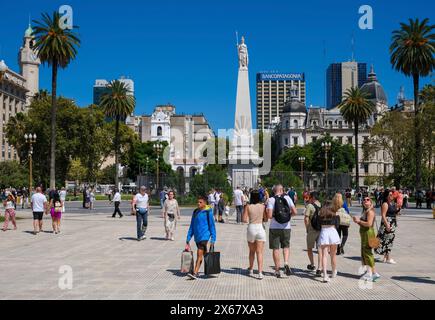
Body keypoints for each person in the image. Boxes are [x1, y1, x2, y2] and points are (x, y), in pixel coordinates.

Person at [266, 184, 297, 278]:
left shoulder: (271, 199)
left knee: (276, 249)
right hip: (286, 227)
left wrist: (268, 212)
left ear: (274, 191)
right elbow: (295, 212)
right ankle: (286, 263)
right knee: (286, 246)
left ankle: (277, 270)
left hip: (274, 227)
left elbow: (270, 216)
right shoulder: (288, 198)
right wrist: (288, 216)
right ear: (282, 190)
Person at [185, 195, 216, 280]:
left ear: (205, 203)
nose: (198, 203)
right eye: (198, 202)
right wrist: (188, 238)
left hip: (205, 236)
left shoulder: (208, 212)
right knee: (204, 254)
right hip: (197, 237)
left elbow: (212, 225)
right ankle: (210, 269)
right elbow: (192, 225)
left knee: (199, 253)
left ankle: (195, 272)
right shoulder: (195, 212)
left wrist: (213, 238)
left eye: (200, 202)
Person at [353, 196, 381, 282]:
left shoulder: (370, 212)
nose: (365, 201)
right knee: (365, 253)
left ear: (371, 202)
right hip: (365, 233)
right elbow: (363, 224)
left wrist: (358, 221)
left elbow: (368, 224)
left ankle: (372, 273)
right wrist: (357, 222)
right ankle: (370, 272)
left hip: (368, 234)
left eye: (368, 200)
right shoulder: (366, 211)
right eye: (364, 200)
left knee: (368, 253)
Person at [242, 190, 267, 280]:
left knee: (252, 251)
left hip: (251, 227)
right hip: (260, 227)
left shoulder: (248, 206)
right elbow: (266, 219)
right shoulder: (263, 206)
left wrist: (250, 219)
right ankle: (260, 272)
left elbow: (244, 219)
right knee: (259, 252)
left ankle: (251, 268)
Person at [317, 202, 341, 283]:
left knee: (324, 255)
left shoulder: (320, 215)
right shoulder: (335, 215)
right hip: (332, 232)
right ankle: (334, 271)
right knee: (333, 254)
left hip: (324, 232)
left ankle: (325, 275)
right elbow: (337, 225)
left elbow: (317, 225)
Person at [376, 189, 400, 264]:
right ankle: (388, 258)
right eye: (389, 194)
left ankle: (385, 257)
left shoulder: (393, 204)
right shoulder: (385, 204)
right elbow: (383, 215)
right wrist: (387, 225)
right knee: (387, 240)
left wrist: (398, 209)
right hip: (387, 223)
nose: (391, 196)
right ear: (386, 196)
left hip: (392, 223)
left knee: (389, 240)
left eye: (392, 194)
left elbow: (395, 213)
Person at [304, 191, 322, 274]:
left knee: (309, 248)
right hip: (320, 229)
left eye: (310, 197)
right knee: (320, 249)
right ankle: (319, 267)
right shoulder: (321, 205)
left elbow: (306, 218)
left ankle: (312, 264)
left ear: (312, 198)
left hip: (312, 229)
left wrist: (307, 228)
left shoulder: (310, 206)